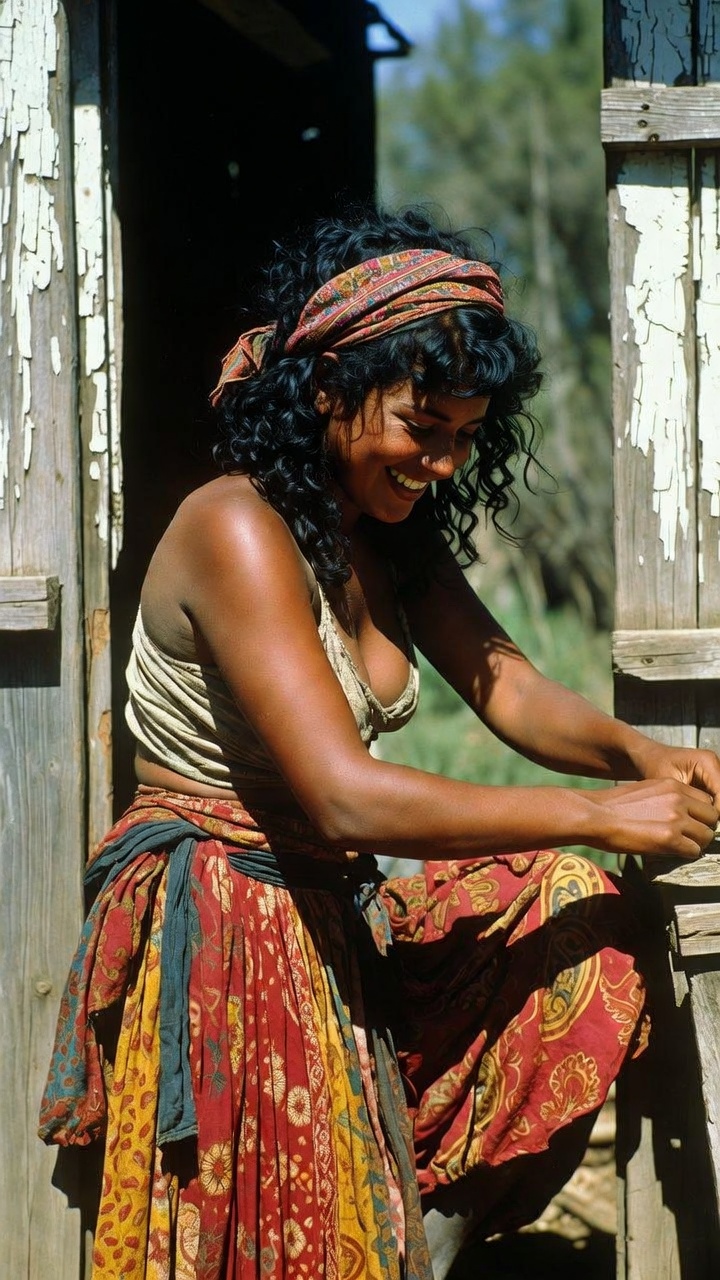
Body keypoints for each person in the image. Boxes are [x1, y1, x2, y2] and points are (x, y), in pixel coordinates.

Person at [40, 207, 720, 1280]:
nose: (444, 462)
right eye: (422, 425)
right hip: (229, 912)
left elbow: (510, 687)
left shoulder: (382, 531)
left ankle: (425, 1229)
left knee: (577, 914)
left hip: (325, 902)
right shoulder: (238, 528)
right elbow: (347, 797)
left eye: (466, 434)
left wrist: (641, 760)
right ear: (326, 391)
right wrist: (600, 808)